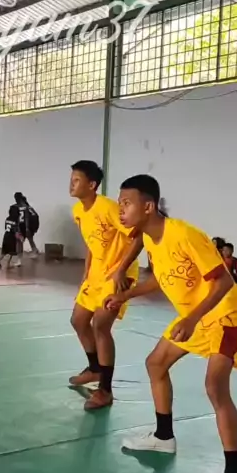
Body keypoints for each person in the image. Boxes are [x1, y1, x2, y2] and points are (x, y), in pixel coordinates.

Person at [106, 174, 237, 473]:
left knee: (215, 387)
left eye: (126, 203)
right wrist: (126, 295)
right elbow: (161, 278)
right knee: (155, 363)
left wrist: (192, 318)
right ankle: (163, 436)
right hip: (193, 315)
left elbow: (224, 282)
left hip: (223, 315)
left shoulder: (185, 234)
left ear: (148, 206)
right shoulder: (151, 238)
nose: (121, 209)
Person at [69, 160, 143, 411]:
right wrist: (86, 272)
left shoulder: (109, 208)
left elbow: (138, 236)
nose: (71, 184)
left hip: (119, 274)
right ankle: (94, 369)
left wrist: (121, 270)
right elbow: (92, 243)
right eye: (71, 179)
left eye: (77, 180)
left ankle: (105, 390)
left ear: (92, 185)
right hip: (96, 274)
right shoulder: (78, 211)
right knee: (78, 320)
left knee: (100, 325)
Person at [0, 204, 20, 270]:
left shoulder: (7, 218)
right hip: (11, 237)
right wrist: (19, 237)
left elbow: (6, 227)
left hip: (6, 235)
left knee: (4, 251)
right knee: (12, 251)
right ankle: (8, 263)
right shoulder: (16, 220)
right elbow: (16, 230)